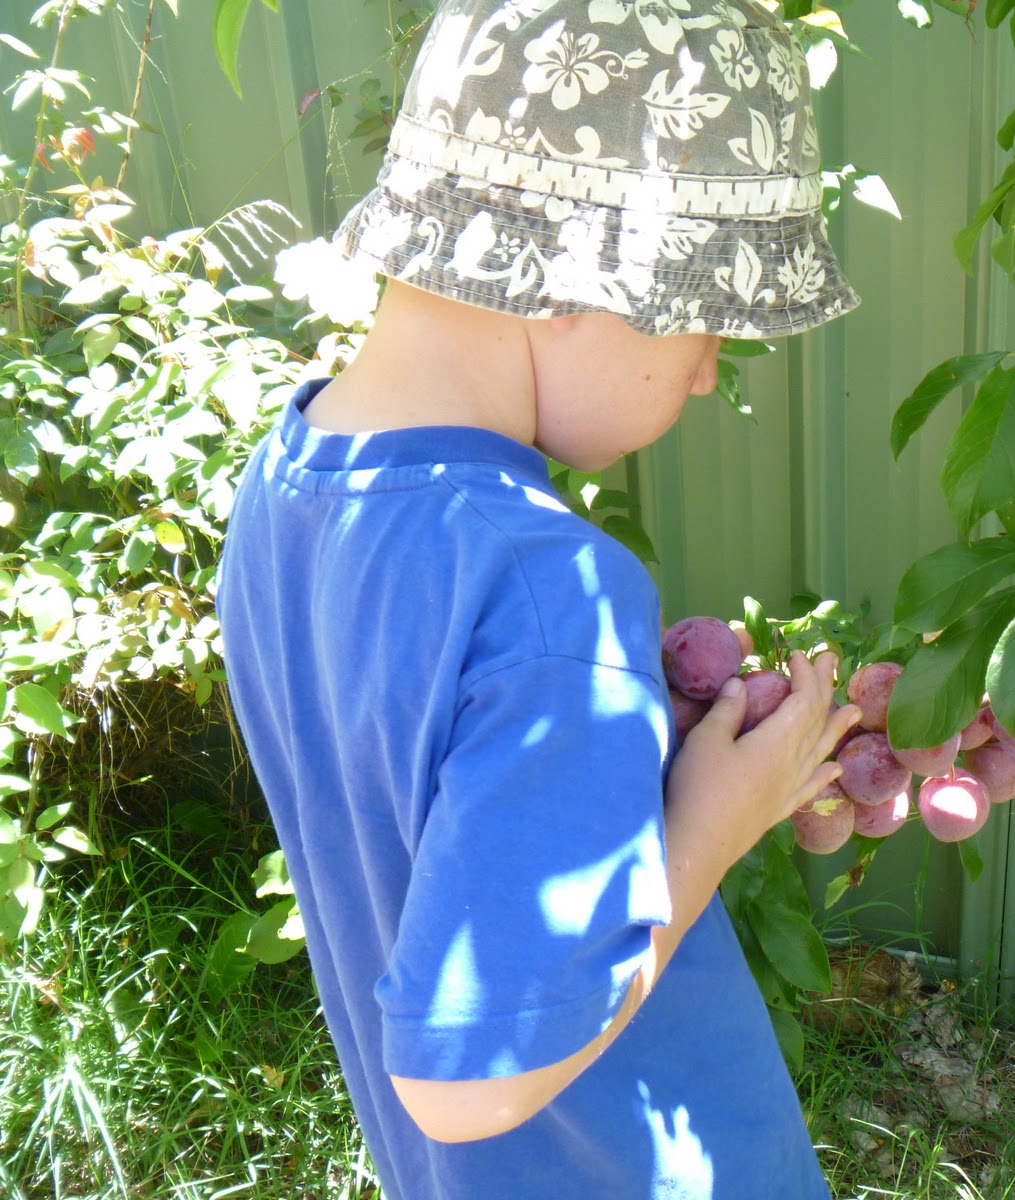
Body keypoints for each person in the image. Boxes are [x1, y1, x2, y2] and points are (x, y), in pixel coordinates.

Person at [215, 1, 860, 1196]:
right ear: (576, 278)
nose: (713, 368)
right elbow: (469, 1085)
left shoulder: (287, 481)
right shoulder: (546, 589)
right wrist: (714, 823)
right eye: (708, 319)